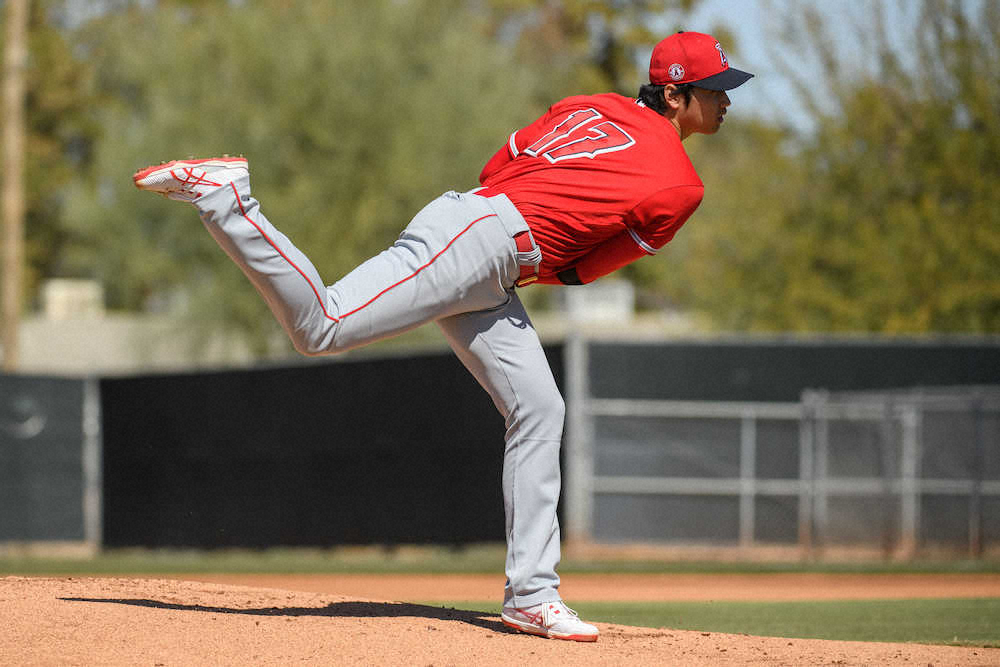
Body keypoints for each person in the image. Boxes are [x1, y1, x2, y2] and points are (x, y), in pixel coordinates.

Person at [133, 30, 752, 642]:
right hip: (482, 248)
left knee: (540, 409)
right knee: (322, 326)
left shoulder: (589, 105)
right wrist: (519, 249)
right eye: (715, 89)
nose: (726, 100)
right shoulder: (680, 185)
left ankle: (531, 597)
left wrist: (510, 244)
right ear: (675, 96)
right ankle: (229, 200)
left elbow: (498, 165)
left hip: (481, 241)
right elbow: (584, 269)